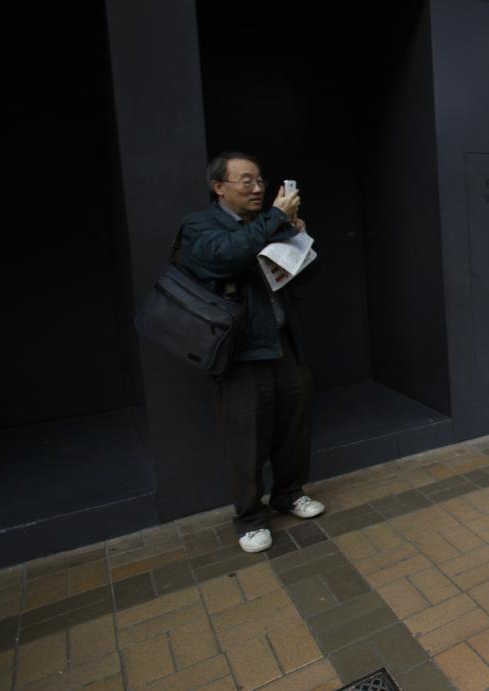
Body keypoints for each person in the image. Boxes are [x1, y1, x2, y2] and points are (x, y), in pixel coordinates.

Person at [179, 152, 325, 553]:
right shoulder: (200, 226)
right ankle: (249, 517)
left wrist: (298, 236)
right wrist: (274, 220)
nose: (257, 188)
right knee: (246, 440)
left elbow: (305, 274)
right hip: (241, 354)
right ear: (219, 187)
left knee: (295, 426)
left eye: (260, 180)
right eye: (246, 181)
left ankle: (289, 493)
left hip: (283, 343)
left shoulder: (269, 224)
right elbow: (225, 257)